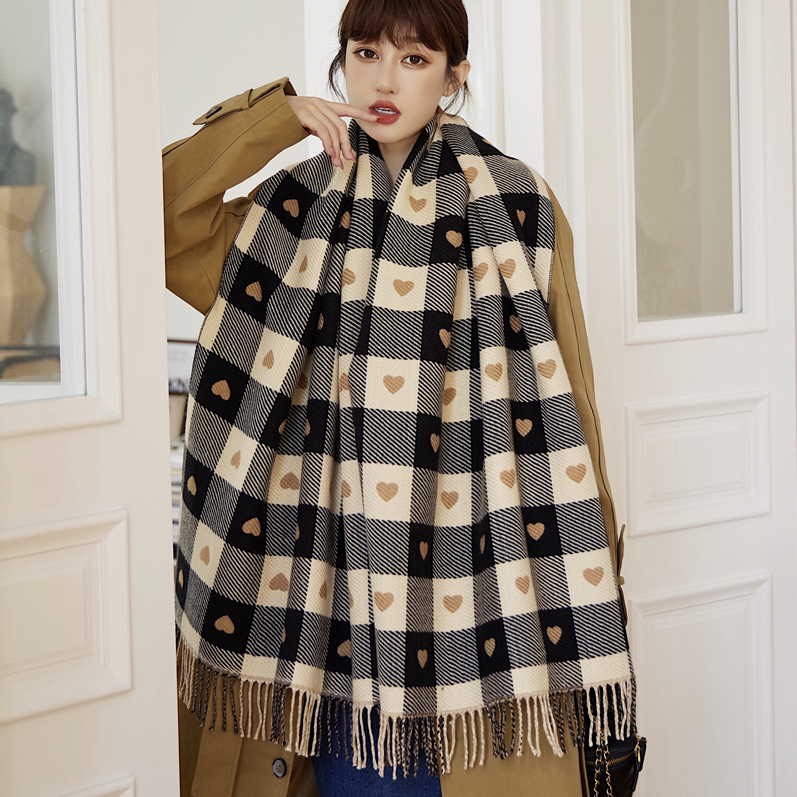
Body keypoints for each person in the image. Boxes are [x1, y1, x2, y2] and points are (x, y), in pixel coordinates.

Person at [164, 2, 636, 796]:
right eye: (365, 52)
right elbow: (150, 216)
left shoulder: (518, 203)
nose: (384, 80)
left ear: (454, 76)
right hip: (313, 581)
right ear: (341, 61)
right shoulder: (287, 208)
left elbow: (570, 403)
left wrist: (596, 576)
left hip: (473, 571)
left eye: (414, 59)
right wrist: (271, 119)